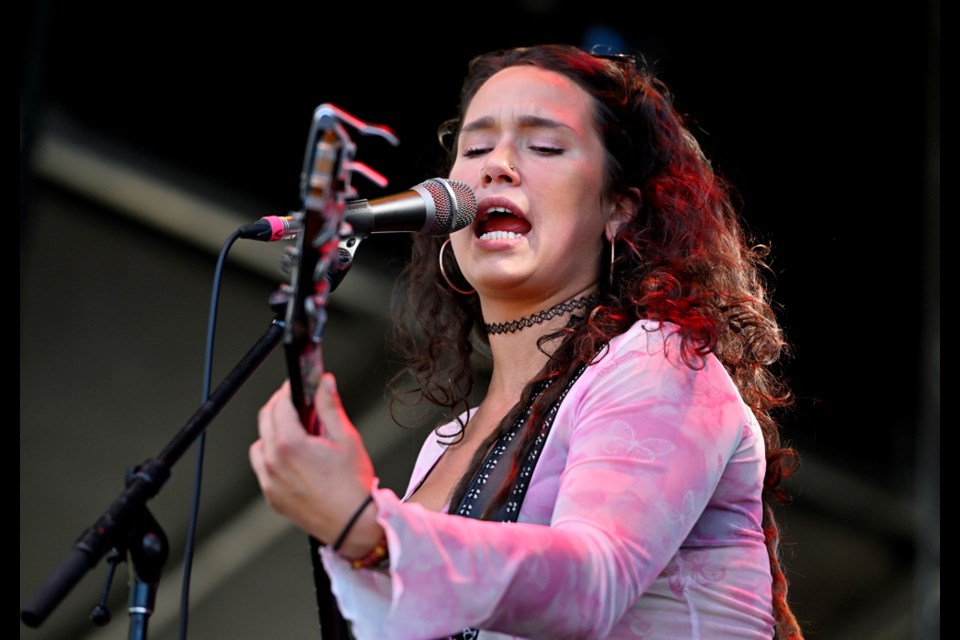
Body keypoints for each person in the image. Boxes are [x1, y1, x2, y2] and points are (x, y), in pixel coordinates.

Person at [249, 43, 804, 639]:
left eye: (543, 146)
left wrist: (367, 528)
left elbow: (592, 585)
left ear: (619, 210)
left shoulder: (657, 359)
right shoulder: (442, 445)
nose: (498, 167)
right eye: (477, 147)